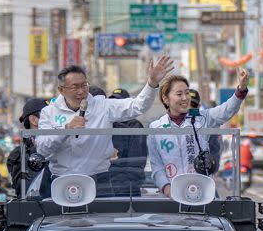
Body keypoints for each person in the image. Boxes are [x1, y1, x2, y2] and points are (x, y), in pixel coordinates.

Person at [36, 59, 174, 190]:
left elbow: (137, 106)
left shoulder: (102, 106)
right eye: (75, 87)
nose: (81, 91)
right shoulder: (49, 113)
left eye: (84, 85)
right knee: (60, 216)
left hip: (100, 180)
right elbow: (42, 149)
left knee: (102, 215)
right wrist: (65, 130)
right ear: (61, 90)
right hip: (61, 181)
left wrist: (151, 83)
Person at [147, 67, 249, 197]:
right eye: (179, 94)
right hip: (171, 198)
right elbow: (157, 167)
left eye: (187, 93)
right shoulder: (156, 127)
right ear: (166, 99)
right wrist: (167, 189)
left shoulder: (202, 118)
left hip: (201, 194)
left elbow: (226, 110)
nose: (185, 98)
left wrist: (241, 90)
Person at [107, 87, 149, 195]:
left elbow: (136, 164)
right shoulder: (108, 124)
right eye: (113, 102)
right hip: (107, 187)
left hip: (128, 190)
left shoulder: (135, 126)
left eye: (120, 103)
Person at [8, 97, 51, 197]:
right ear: (34, 120)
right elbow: (25, 191)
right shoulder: (20, 154)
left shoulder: (57, 144)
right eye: (48, 115)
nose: (53, 119)